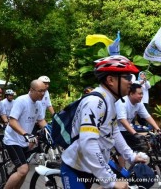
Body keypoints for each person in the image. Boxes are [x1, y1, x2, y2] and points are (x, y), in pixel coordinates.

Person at [61, 55, 147, 189]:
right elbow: (88, 143)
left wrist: (130, 156)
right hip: (76, 168)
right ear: (110, 80)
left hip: (92, 166)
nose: (131, 82)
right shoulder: (95, 102)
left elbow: (114, 131)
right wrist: (110, 181)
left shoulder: (110, 101)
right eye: (127, 77)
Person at [3, 80, 49, 189]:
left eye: (45, 91)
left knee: (25, 170)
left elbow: (41, 121)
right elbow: (12, 121)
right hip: (12, 140)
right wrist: (26, 134)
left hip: (24, 141)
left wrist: (49, 131)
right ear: (32, 90)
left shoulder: (38, 103)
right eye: (40, 91)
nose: (43, 94)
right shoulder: (21, 100)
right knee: (23, 170)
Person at [115, 83, 161, 167]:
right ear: (131, 93)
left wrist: (158, 129)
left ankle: (135, 168)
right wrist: (135, 133)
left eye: (142, 94)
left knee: (143, 146)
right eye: (139, 94)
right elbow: (122, 120)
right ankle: (121, 174)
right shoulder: (122, 102)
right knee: (122, 151)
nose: (141, 96)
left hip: (128, 129)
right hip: (117, 130)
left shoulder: (139, 103)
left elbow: (147, 116)